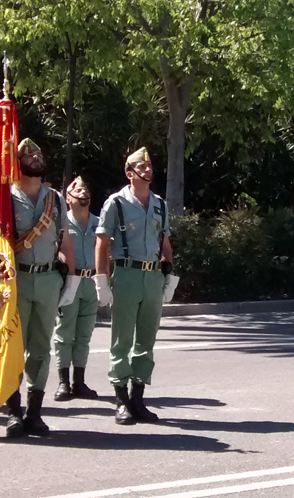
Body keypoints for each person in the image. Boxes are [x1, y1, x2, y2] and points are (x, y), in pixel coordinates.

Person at [95, 147, 177, 424]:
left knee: (146, 339)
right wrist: (102, 283)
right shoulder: (116, 203)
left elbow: (164, 241)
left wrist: (169, 275)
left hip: (152, 275)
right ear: (129, 173)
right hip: (127, 273)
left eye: (149, 165)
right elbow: (102, 243)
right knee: (122, 340)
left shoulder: (159, 204)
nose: (147, 169)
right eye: (140, 167)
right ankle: (121, 401)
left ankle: (138, 398)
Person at [1, 139, 74, 437]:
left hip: (46, 279)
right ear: (17, 162)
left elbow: (65, 241)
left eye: (39, 154)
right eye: (28, 154)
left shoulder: (54, 199)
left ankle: (34, 412)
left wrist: (70, 282)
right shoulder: (4, 196)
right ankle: (13, 412)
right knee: (12, 347)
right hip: (15, 278)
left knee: (41, 348)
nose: (35, 157)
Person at [53, 176, 102, 401]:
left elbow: (105, 252)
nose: (83, 194)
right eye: (77, 191)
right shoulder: (61, 223)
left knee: (84, 334)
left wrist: (105, 283)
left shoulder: (98, 223)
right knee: (65, 333)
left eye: (85, 191)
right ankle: (63, 382)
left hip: (91, 282)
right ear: (67, 199)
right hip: (70, 281)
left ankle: (79, 382)